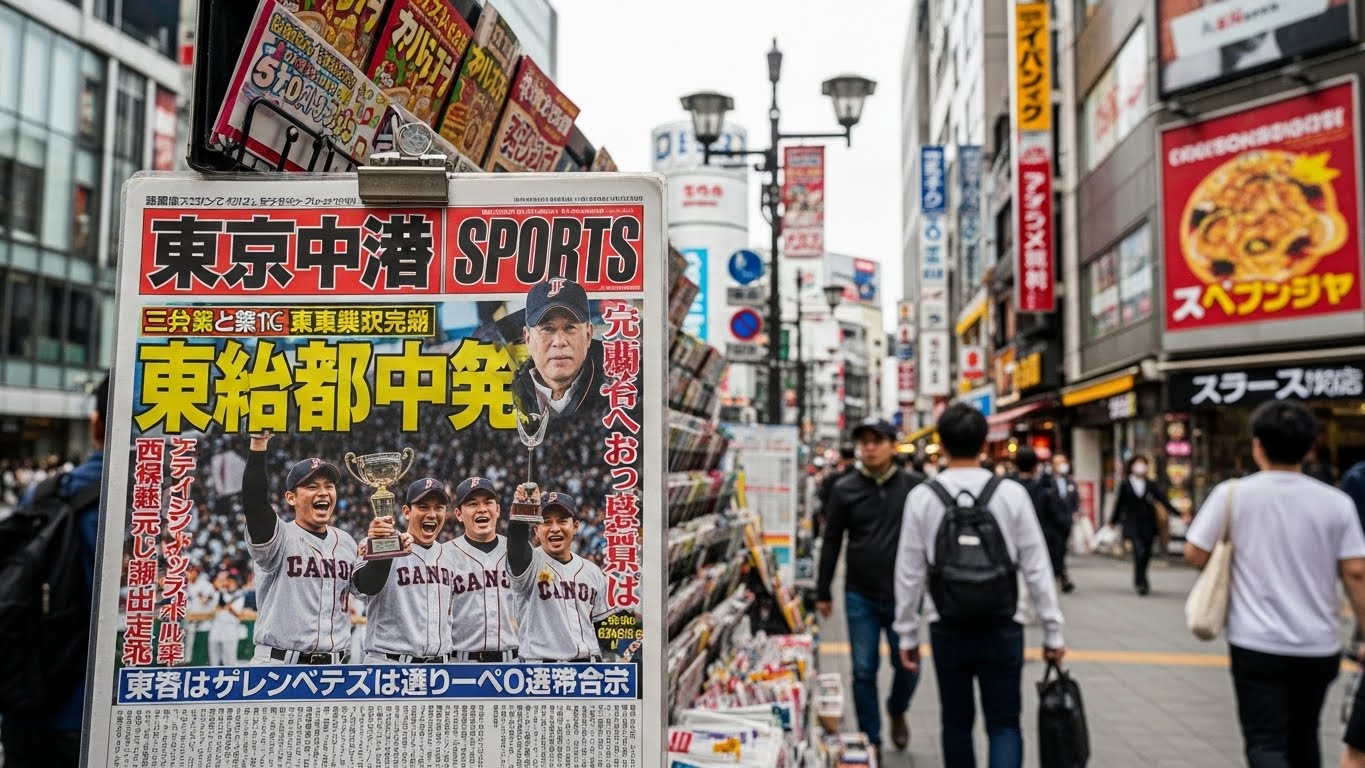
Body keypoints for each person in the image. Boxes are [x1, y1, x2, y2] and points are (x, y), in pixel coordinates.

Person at [1184, 399, 1365, 768]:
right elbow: (1356, 572)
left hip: (1255, 642)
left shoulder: (1232, 494)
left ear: (1257, 445)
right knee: (1304, 737)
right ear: (1311, 446)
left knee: (1265, 741)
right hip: (1318, 644)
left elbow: (1194, 553)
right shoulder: (1336, 503)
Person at [893, 403, 1065, 768]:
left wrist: (906, 634)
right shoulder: (1011, 494)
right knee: (1004, 723)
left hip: (947, 624)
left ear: (941, 443)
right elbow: (1037, 566)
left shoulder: (923, 497)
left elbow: (909, 572)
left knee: (956, 723)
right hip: (1003, 623)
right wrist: (1052, 631)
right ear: (985, 442)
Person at [0, 375, 106, 767]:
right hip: (116, 724)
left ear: (96, 424)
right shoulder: (165, 509)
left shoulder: (44, 495)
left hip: (34, 707)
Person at [816, 418, 925, 753]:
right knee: (863, 669)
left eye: (877, 441)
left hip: (904, 595)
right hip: (858, 593)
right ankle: (871, 739)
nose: (870, 447)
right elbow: (832, 539)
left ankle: (897, 708)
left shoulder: (915, 486)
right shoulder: (844, 488)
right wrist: (823, 590)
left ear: (893, 445)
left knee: (908, 665)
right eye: (864, 441)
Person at [241, 432, 359, 664]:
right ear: (291, 498)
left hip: (333, 669)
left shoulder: (346, 542)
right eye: (311, 486)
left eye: (329, 486)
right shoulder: (280, 536)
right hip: (278, 664)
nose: (323, 492)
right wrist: (258, 444)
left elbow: (364, 588)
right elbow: (255, 505)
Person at [352, 477, 461, 664]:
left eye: (439, 508)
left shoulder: (450, 556)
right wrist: (383, 549)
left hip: (439, 669)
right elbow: (363, 586)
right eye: (424, 507)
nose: (432, 514)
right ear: (407, 512)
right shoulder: (386, 546)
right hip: (390, 666)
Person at [508, 487, 613, 662]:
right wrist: (522, 508)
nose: (555, 528)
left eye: (562, 521)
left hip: (588, 670)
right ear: (536, 531)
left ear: (575, 527)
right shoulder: (528, 564)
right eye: (547, 522)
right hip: (542, 672)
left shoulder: (592, 571)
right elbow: (516, 547)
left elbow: (606, 629)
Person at [510, 278, 607, 420]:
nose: (559, 342)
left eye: (570, 327)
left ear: (588, 334)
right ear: (528, 338)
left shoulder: (622, 386)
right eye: (547, 329)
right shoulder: (504, 392)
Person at [446, 476, 520, 662]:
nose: (481, 509)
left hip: (511, 662)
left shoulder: (519, 553)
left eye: (488, 502)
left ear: (497, 510)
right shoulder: (444, 555)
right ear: (459, 514)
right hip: (461, 664)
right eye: (472, 504)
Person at [1109, 454, 1174, 595]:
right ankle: (1141, 581)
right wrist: (1113, 522)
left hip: (1149, 524)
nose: (1140, 466)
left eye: (1143, 463)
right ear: (1132, 467)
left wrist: (1180, 514)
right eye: (1137, 463)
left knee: (1147, 553)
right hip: (1132, 524)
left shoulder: (1151, 484)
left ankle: (1141, 576)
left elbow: (1163, 500)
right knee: (1139, 551)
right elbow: (1119, 505)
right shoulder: (1125, 484)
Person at [1015, 447, 1073, 595]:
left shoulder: (1007, 489)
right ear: (1036, 466)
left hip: (1013, 545)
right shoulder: (1044, 490)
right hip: (1042, 542)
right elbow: (1058, 517)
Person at [1048, 452, 1079, 593]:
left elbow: (1075, 501)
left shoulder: (1070, 482)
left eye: (1064, 462)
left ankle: (1060, 574)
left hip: (1066, 522)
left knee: (1061, 550)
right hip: (1051, 523)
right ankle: (1060, 575)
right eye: (1059, 463)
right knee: (1056, 550)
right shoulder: (1047, 482)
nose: (1062, 466)